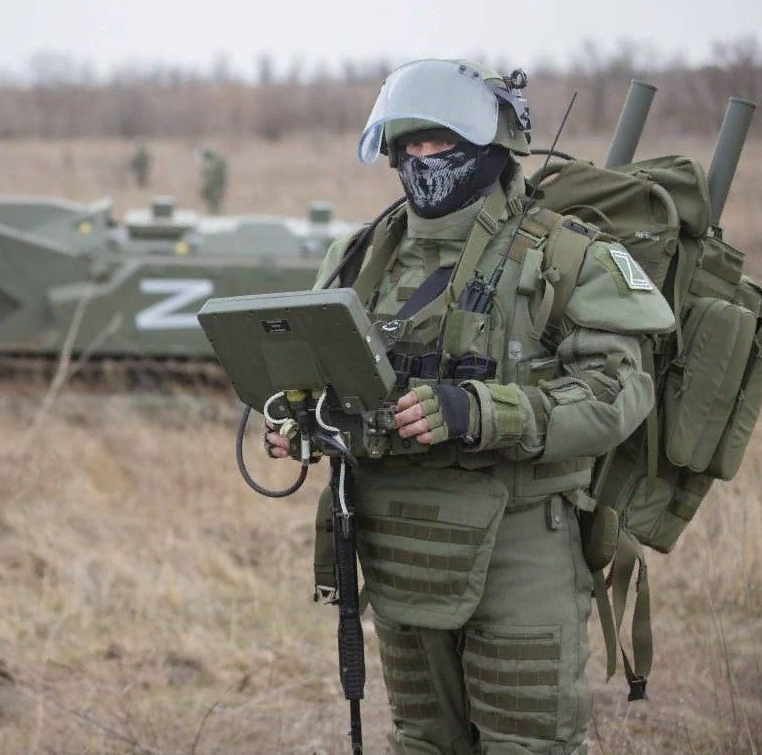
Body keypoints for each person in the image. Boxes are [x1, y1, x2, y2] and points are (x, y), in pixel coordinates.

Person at [265, 59, 674, 754]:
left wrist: (485, 411)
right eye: (410, 145)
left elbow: (619, 390)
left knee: (529, 743)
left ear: (491, 148)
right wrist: (303, 425)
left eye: (442, 143)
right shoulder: (359, 258)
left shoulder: (565, 257)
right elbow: (331, 384)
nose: (423, 161)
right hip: (401, 549)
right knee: (424, 740)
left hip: (520, 543)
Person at [198, 148, 227, 214]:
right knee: (211, 200)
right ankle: (212, 212)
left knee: (214, 200)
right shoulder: (212, 162)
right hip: (212, 184)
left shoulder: (213, 163)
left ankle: (214, 212)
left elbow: (212, 176)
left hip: (214, 185)